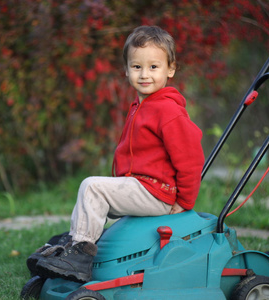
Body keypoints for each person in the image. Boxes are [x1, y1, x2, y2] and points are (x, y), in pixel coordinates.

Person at [29, 25, 205, 283]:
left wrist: (185, 201)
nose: (144, 74)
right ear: (126, 69)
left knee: (93, 187)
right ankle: (73, 242)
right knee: (93, 198)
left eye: (154, 67)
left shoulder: (168, 110)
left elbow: (191, 157)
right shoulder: (141, 105)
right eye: (137, 67)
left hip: (158, 193)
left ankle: (78, 255)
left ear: (171, 69)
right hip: (141, 186)